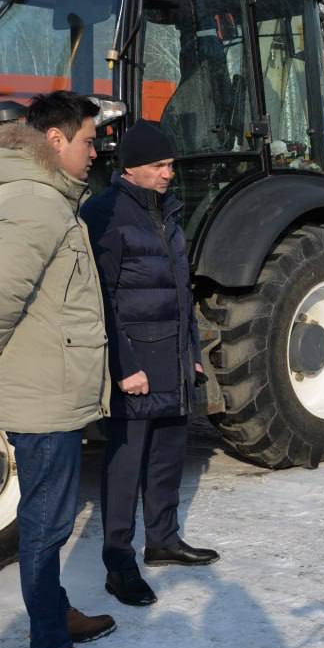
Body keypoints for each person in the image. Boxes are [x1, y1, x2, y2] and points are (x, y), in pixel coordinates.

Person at [0, 91, 122, 648]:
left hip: (49, 381)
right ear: (54, 141)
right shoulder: (36, 203)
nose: (94, 151)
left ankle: (54, 612)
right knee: (46, 522)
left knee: (47, 513)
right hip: (42, 388)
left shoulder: (46, 198)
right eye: (87, 140)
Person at [81, 120, 218, 608]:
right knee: (124, 465)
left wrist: (193, 356)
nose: (169, 174)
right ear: (131, 168)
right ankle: (119, 562)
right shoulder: (106, 213)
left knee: (166, 456)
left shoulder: (166, 211)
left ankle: (163, 539)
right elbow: (99, 299)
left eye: (171, 165)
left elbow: (180, 292)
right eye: (159, 166)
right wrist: (124, 364)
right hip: (135, 363)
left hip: (173, 358)